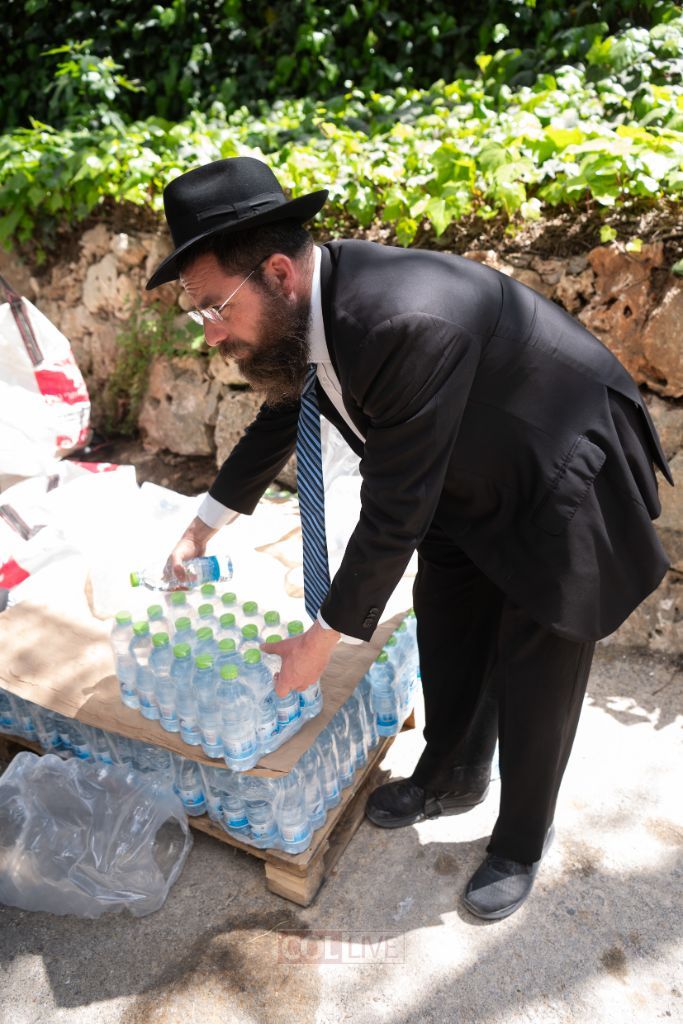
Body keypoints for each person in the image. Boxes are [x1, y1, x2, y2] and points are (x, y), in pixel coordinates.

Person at [146, 156, 673, 920]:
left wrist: (321, 641)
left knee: (536, 666)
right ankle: (452, 774)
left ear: (278, 273)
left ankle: (520, 840)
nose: (211, 333)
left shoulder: (400, 320)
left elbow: (394, 508)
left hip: (559, 471)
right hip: (464, 475)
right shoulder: (315, 313)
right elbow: (284, 416)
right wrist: (203, 526)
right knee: (450, 626)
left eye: (214, 308)